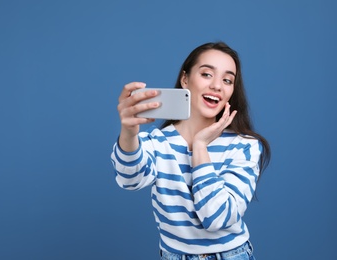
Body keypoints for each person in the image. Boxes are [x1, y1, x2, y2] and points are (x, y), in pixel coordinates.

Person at [110, 41, 271, 260]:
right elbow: (129, 180)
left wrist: (200, 147)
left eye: (227, 80)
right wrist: (128, 131)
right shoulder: (157, 142)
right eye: (207, 74)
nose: (217, 86)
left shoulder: (245, 146)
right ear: (185, 79)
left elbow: (217, 218)